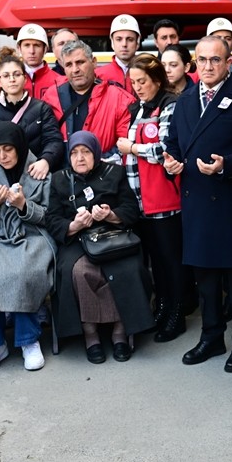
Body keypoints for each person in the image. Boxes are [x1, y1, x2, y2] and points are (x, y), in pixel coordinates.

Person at [164, 36, 232, 373]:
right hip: (197, 200)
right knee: (204, 277)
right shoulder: (187, 98)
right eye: (202, 60)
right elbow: (174, 142)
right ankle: (211, 336)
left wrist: (228, 164)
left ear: (229, 60)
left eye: (215, 60)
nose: (207, 66)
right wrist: (171, 161)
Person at [46, 131, 152, 363]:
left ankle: (120, 331)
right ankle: (90, 333)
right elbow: (52, 219)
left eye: (85, 152)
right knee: (80, 271)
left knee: (125, 267)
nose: (80, 158)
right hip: (78, 241)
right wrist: (73, 225)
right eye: (74, 153)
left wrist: (111, 215)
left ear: (95, 153)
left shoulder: (114, 173)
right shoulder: (60, 179)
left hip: (114, 237)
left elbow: (131, 210)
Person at [0, 121, 55, 373]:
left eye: (8, 149)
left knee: (20, 272)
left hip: (31, 235)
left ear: (20, 147)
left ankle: (29, 340)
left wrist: (24, 206)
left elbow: (51, 216)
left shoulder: (38, 170)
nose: (3, 156)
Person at [114, 54, 185, 342]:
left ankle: (177, 313)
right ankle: (163, 307)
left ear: (157, 80)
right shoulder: (136, 108)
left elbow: (163, 149)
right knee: (156, 261)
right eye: (133, 82)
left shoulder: (170, 105)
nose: (137, 87)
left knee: (171, 261)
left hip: (164, 198)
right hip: (140, 200)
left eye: (142, 81)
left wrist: (132, 147)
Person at [0, 51, 64, 186]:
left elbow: (53, 140)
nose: (12, 79)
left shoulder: (41, 109)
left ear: (25, 78)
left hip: (32, 178)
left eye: (16, 74)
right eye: (6, 75)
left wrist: (46, 160)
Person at [47, 39, 134, 154]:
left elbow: (125, 145)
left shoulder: (120, 99)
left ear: (94, 62)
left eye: (80, 62)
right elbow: (45, 139)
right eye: (69, 65)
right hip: (62, 170)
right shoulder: (51, 95)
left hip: (103, 168)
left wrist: (96, 162)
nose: (75, 70)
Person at [97, 14, 141, 89]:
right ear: (112, 42)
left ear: (137, 43)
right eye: (119, 39)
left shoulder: (148, 73)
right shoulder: (98, 75)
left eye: (130, 39)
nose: (124, 44)